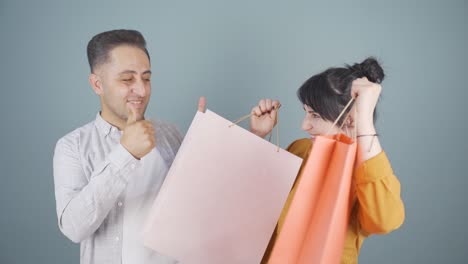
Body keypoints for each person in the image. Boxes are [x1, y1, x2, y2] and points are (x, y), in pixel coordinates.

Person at [53, 29, 205, 264]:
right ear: (97, 84)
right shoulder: (72, 147)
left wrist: (252, 135)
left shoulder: (169, 134)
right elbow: (74, 228)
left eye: (146, 78)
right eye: (127, 79)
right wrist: (127, 154)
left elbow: (203, 197)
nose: (142, 90)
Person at [252, 58, 405, 264]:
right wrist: (256, 135)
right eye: (305, 113)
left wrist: (365, 121)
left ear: (349, 119)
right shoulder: (301, 149)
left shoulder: (363, 172)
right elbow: (254, 200)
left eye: (314, 115)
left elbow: (385, 221)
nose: (304, 125)